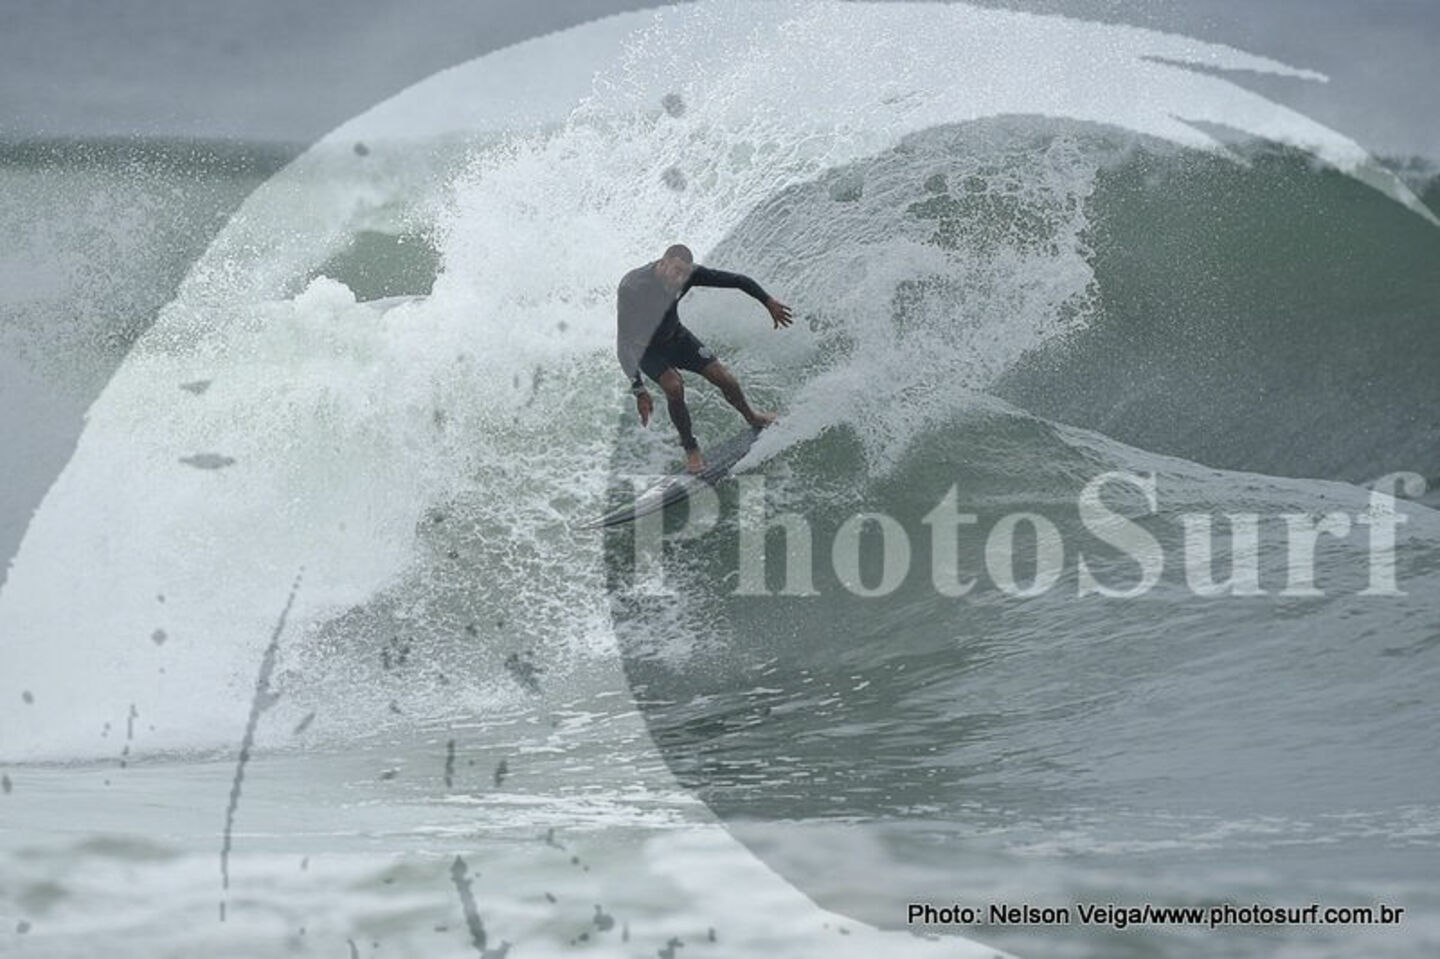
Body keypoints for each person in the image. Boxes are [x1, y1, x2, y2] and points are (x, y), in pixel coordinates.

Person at [616, 243, 793, 473]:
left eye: (685, 273)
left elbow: (737, 281)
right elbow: (623, 343)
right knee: (673, 386)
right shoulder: (633, 287)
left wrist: (768, 301)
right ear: (662, 263)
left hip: (677, 338)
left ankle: (752, 417)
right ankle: (691, 449)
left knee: (724, 377)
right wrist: (639, 389)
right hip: (647, 349)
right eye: (676, 271)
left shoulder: (689, 274)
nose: (680, 278)